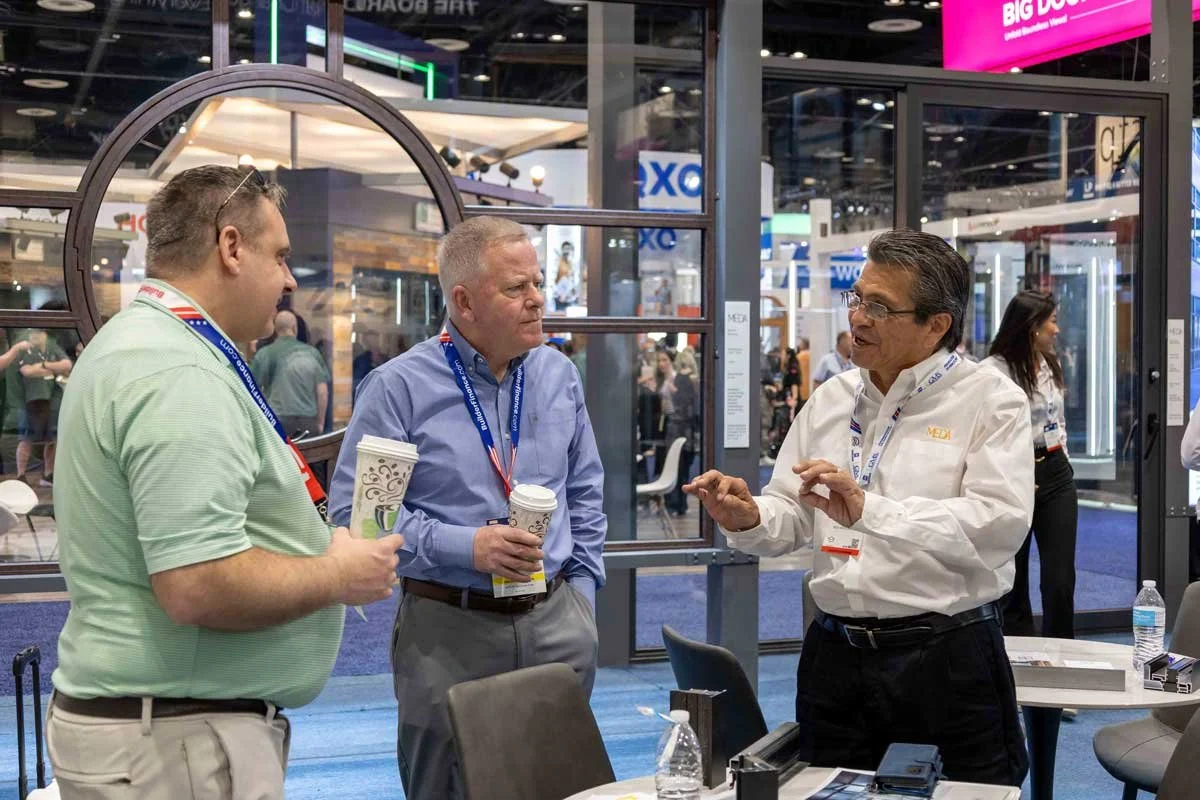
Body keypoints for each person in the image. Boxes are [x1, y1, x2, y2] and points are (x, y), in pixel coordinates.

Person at [47, 165, 403, 800]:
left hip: (166, 734)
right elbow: (197, 584)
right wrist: (338, 575)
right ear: (231, 247)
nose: (291, 280)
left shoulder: (147, 346)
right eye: (282, 256)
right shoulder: (177, 369)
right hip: (173, 744)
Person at [685, 229, 1032, 786]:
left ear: (936, 324)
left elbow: (997, 527)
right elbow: (792, 511)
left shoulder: (991, 402)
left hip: (944, 659)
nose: (858, 318)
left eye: (879, 306)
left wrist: (872, 510)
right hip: (834, 658)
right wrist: (750, 517)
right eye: (857, 298)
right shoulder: (832, 398)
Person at [329, 215, 605, 800]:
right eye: (516, 288)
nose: (537, 301)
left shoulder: (559, 376)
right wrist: (468, 548)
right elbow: (358, 521)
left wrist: (583, 601)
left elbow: (585, 493)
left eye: (538, 284)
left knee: (555, 786)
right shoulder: (398, 388)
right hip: (447, 634)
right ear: (463, 301)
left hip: (555, 622)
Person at [983, 291, 1077, 641]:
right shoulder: (992, 372)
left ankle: (1064, 661)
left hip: (1054, 471)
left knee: (1060, 580)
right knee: (1014, 579)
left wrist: (1062, 457)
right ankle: (1019, 670)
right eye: (1052, 321)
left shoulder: (1050, 363)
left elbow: (1058, 419)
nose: (1057, 329)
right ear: (1030, 327)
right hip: (1013, 474)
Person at [252, 309, 331, 439]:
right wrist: (320, 423)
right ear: (295, 328)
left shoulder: (264, 354)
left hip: (276, 421)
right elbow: (322, 392)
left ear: (275, 329)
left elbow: (253, 390)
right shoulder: (312, 353)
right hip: (307, 422)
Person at [16, 329, 71, 486]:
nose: (34, 336)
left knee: (51, 440)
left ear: (45, 334)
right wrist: (54, 368)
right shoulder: (26, 350)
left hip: (50, 402)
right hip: (29, 402)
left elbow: (67, 365)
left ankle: (48, 475)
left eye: (38, 333)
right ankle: (21, 475)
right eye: (32, 333)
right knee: (26, 439)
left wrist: (43, 365)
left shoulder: (53, 349)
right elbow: (27, 371)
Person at [664, 348, 700, 516]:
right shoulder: (696, 382)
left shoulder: (676, 380)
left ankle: (674, 503)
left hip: (676, 428)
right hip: (689, 430)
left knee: (675, 468)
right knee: (685, 469)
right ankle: (682, 503)